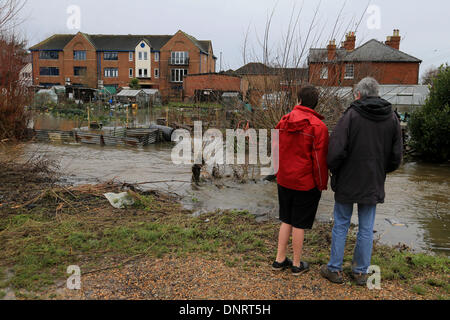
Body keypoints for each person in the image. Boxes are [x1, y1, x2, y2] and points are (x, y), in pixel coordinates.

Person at [320, 77, 403, 285]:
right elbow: (396, 156)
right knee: (366, 227)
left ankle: (335, 269)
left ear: (358, 94)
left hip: (348, 179)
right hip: (373, 180)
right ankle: (360, 272)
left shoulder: (351, 115)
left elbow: (336, 151)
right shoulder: (391, 117)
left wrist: (334, 169)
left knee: (341, 224)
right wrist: (381, 171)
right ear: (377, 93)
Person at [272, 86, 329, 276]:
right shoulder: (318, 127)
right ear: (315, 103)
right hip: (305, 183)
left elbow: (274, 149)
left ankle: (279, 259)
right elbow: (320, 162)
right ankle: (296, 264)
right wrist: (321, 184)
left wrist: (277, 172)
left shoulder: (283, 121)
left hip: (284, 179)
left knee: (286, 219)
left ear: (298, 100)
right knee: (299, 223)